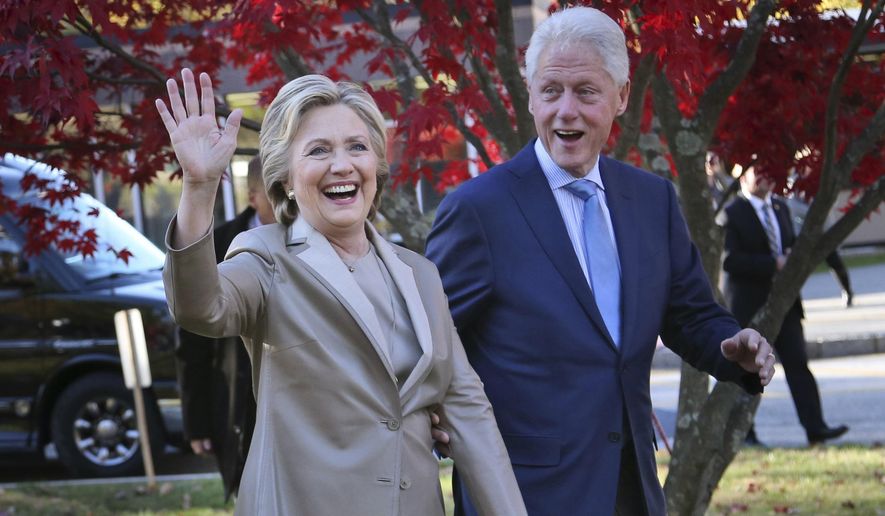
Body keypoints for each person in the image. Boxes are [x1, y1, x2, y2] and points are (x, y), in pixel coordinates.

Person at [425, 7, 776, 516]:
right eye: (550, 91)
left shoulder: (651, 199)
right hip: (522, 494)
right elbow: (431, 343)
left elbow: (691, 314)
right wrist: (436, 414)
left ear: (621, 97)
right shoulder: (478, 211)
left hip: (631, 485)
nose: (566, 110)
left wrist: (732, 349)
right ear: (530, 97)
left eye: (586, 92)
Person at [156, 69, 527, 516]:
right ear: (286, 177)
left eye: (357, 146)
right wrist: (198, 189)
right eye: (318, 150)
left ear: (376, 164)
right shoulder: (265, 255)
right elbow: (201, 308)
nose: (342, 165)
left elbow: (468, 411)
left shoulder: (420, 274)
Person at [720, 166, 849, 447]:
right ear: (743, 176)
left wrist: (790, 254)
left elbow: (788, 243)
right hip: (748, 307)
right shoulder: (731, 213)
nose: (767, 176)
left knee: (798, 365)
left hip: (785, 305)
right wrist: (772, 264)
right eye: (759, 171)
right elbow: (730, 261)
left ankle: (816, 428)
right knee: (747, 371)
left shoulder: (779, 207)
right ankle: (745, 434)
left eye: (769, 170)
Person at [175, 156, 273, 500]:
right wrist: (197, 421)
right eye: (272, 192)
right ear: (253, 196)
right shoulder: (218, 244)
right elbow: (192, 342)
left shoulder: (313, 242)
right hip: (235, 397)